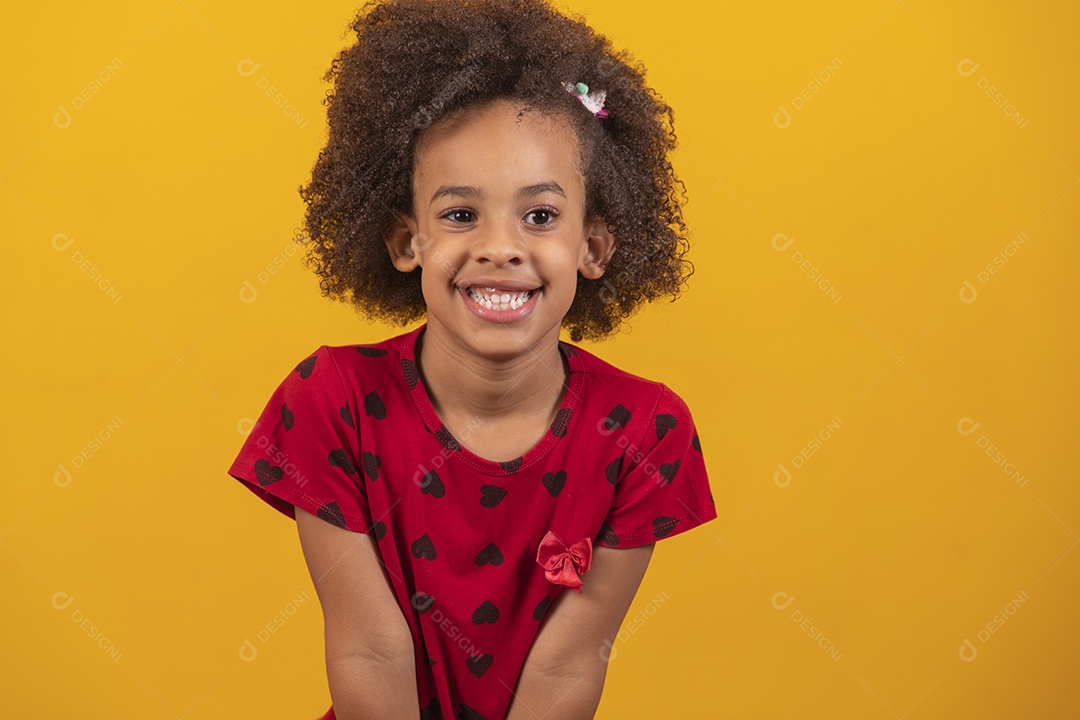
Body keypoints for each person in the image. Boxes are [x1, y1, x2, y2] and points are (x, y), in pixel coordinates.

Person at [226, 0, 718, 716]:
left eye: (541, 216)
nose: (500, 247)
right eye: (460, 214)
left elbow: (569, 664)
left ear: (594, 247)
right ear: (406, 242)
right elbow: (370, 648)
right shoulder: (330, 399)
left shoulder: (644, 432)